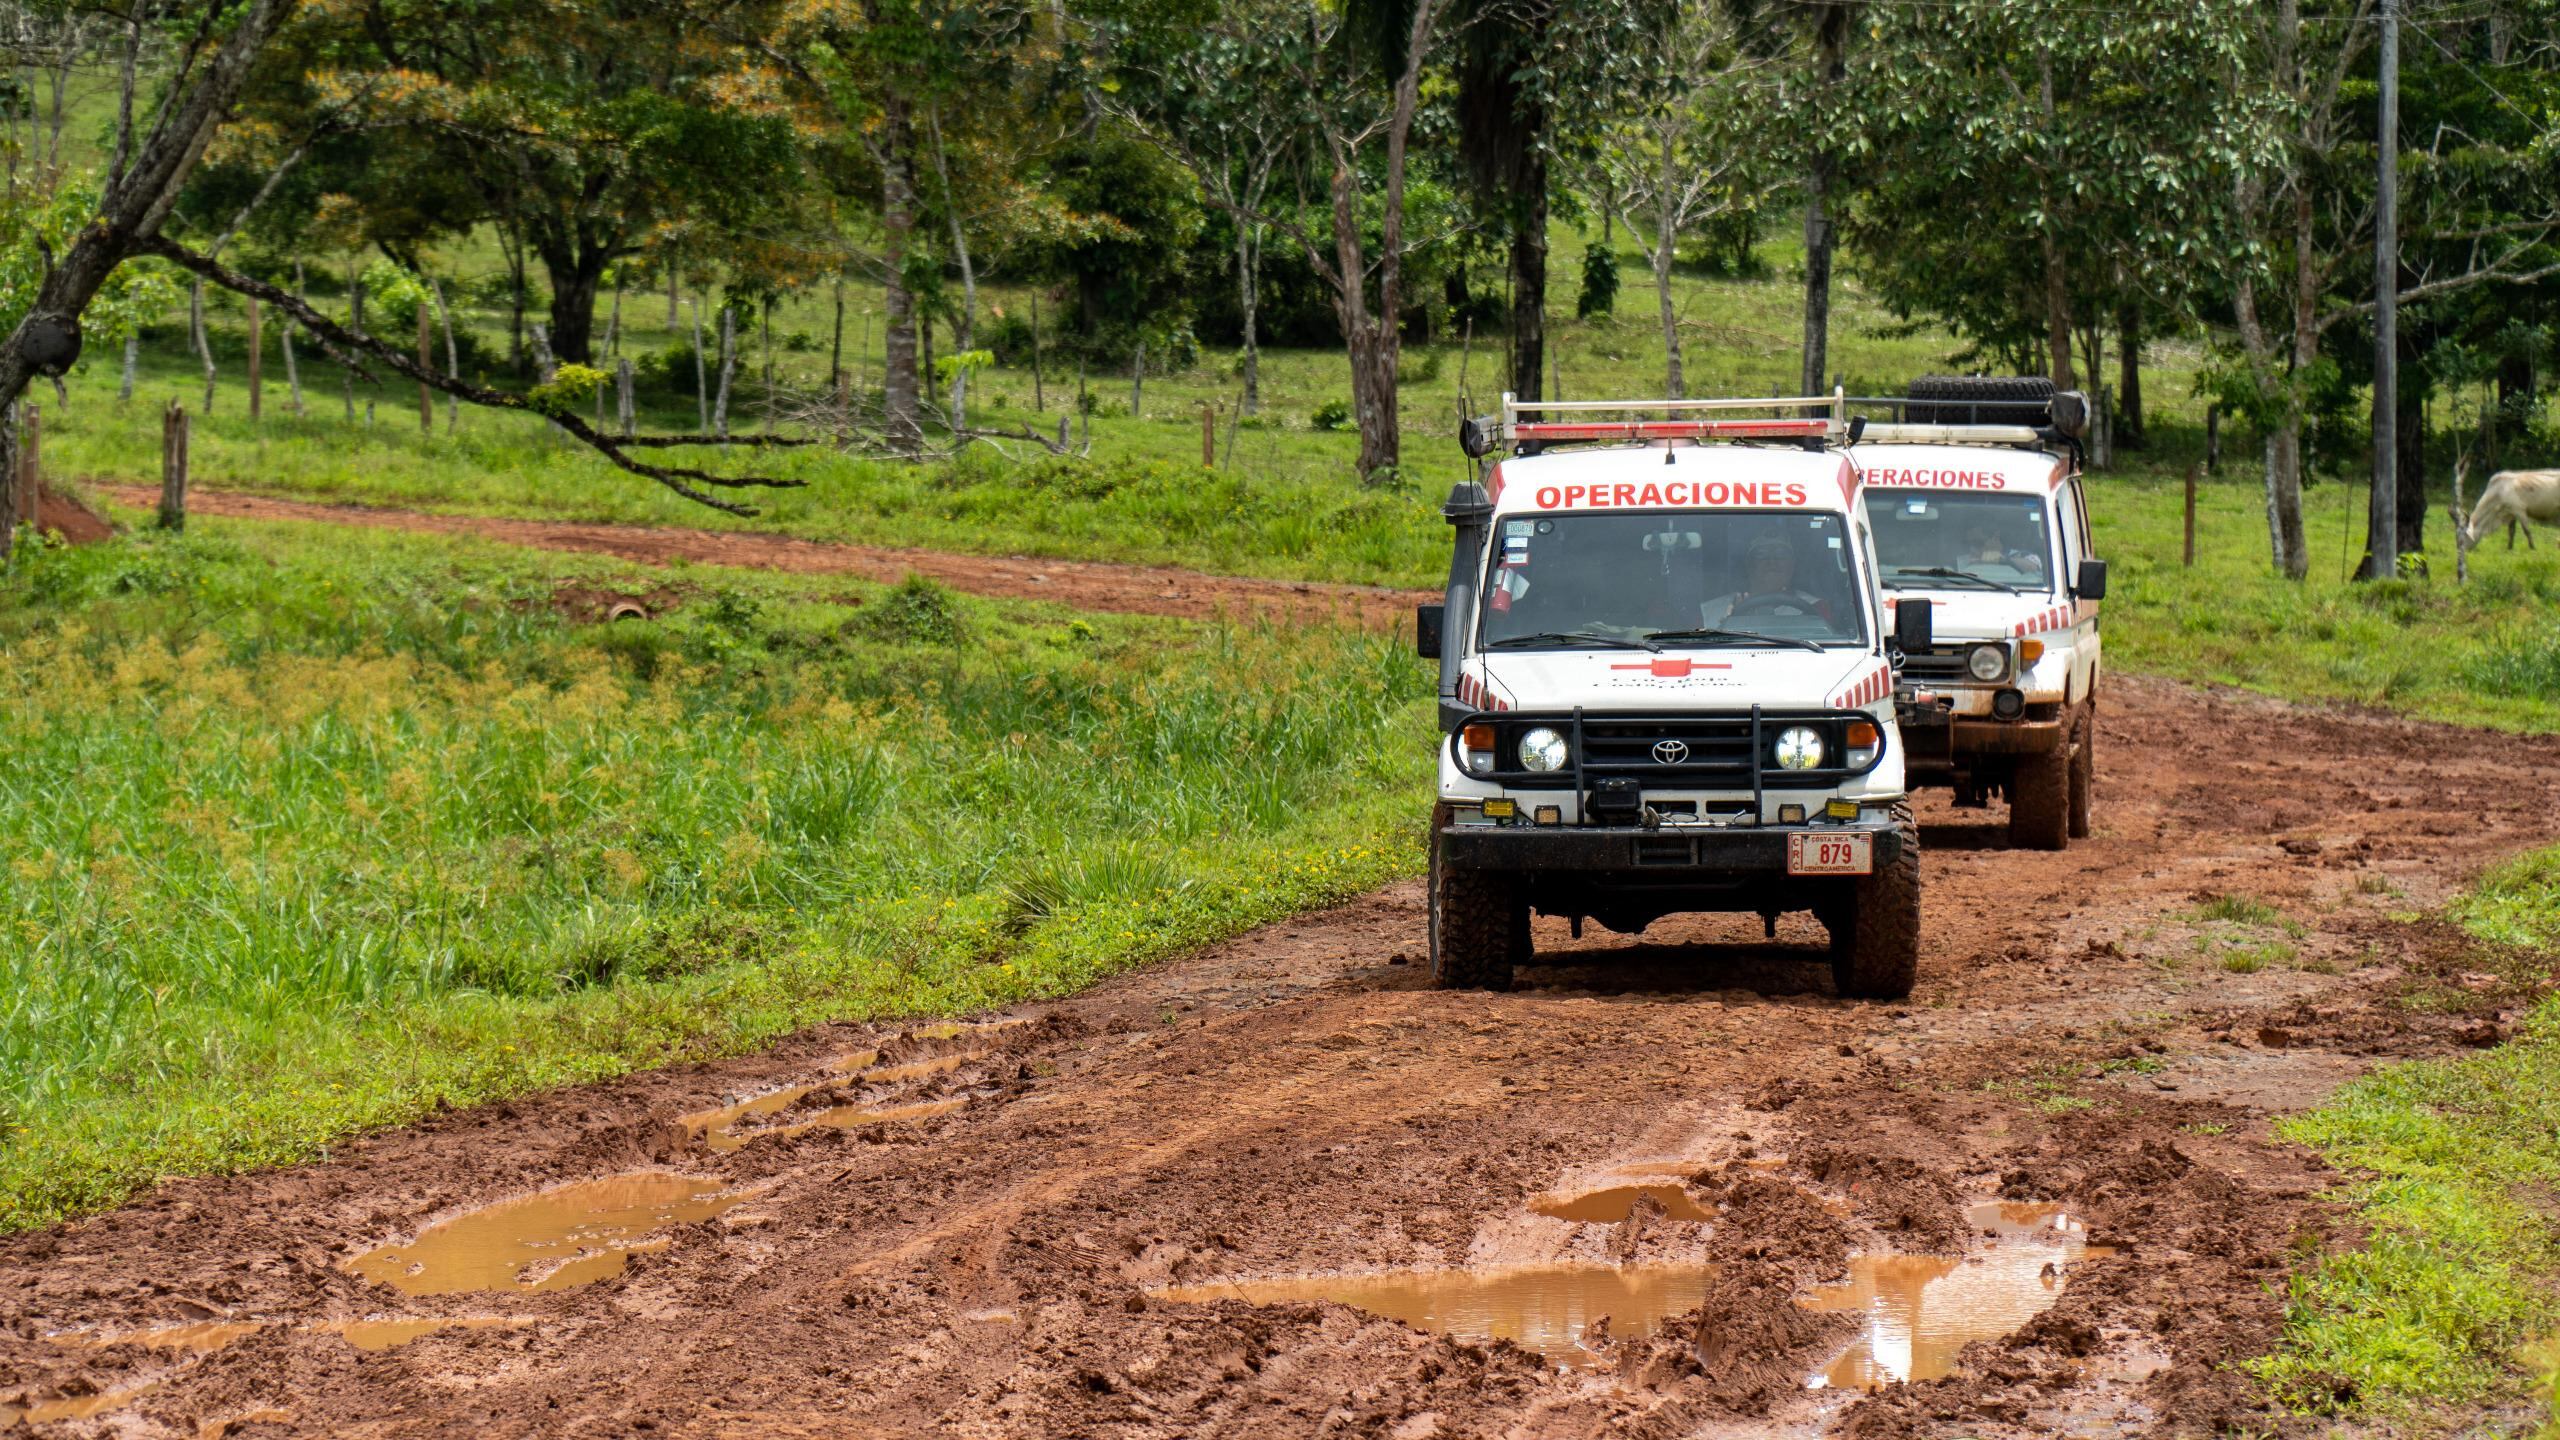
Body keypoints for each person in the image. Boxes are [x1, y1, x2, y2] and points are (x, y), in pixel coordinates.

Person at [1701, 535, 1835, 628]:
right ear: (1749, 564)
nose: (1772, 561)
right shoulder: (1710, 611)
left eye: (1781, 555)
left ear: (1793, 564)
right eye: (1762, 555)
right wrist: (1732, 623)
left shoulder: (1816, 607)